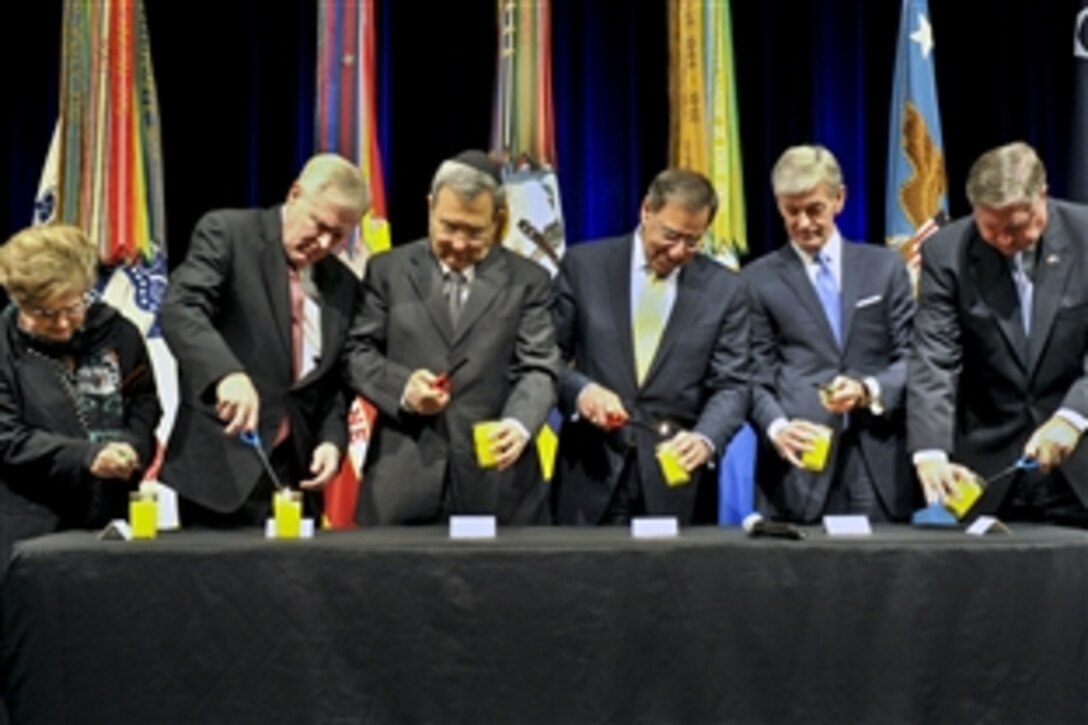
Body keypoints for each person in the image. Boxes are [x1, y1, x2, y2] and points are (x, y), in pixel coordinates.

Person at [343, 150, 558, 525]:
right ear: (430, 208)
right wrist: (404, 389)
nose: (459, 244)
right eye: (449, 227)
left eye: (474, 232)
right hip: (401, 482)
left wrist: (520, 424)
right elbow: (356, 354)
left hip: (496, 485)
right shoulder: (387, 271)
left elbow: (539, 367)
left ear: (500, 220)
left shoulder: (530, 281)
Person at [160, 153, 366, 526]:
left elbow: (336, 381)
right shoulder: (229, 233)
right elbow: (181, 310)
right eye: (318, 224)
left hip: (297, 477)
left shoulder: (344, 286)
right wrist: (226, 374)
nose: (322, 242)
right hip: (221, 469)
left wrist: (332, 441)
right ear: (294, 194)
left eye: (338, 235)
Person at [551, 168, 749, 525]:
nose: (677, 252)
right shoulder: (585, 267)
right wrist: (582, 392)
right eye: (670, 235)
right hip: (590, 473)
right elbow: (547, 358)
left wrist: (705, 438)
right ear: (646, 210)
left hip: (676, 485)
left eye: (692, 242)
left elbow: (733, 386)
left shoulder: (726, 290)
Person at [909, 141, 1088, 525]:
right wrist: (931, 453)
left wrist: (1072, 417)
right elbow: (934, 357)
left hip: (1079, 462)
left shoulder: (1085, 236)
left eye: (1017, 227)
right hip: (990, 474)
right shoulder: (946, 253)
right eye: (991, 229)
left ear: (1043, 195)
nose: (1006, 241)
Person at [744, 145, 915, 523]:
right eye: (792, 211)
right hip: (796, 467)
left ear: (839, 199)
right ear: (778, 205)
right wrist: (777, 427)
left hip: (877, 461)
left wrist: (869, 388)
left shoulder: (885, 268)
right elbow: (754, 374)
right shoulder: (756, 280)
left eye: (814, 209)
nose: (804, 223)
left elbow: (915, 358)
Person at [0, 224, 161, 565]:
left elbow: (144, 403)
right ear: (19, 302)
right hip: (29, 525)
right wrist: (87, 457)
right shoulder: (4, 345)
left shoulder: (119, 333)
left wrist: (133, 446)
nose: (61, 324)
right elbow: (7, 437)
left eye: (72, 308)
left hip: (112, 518)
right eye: (44, 313)